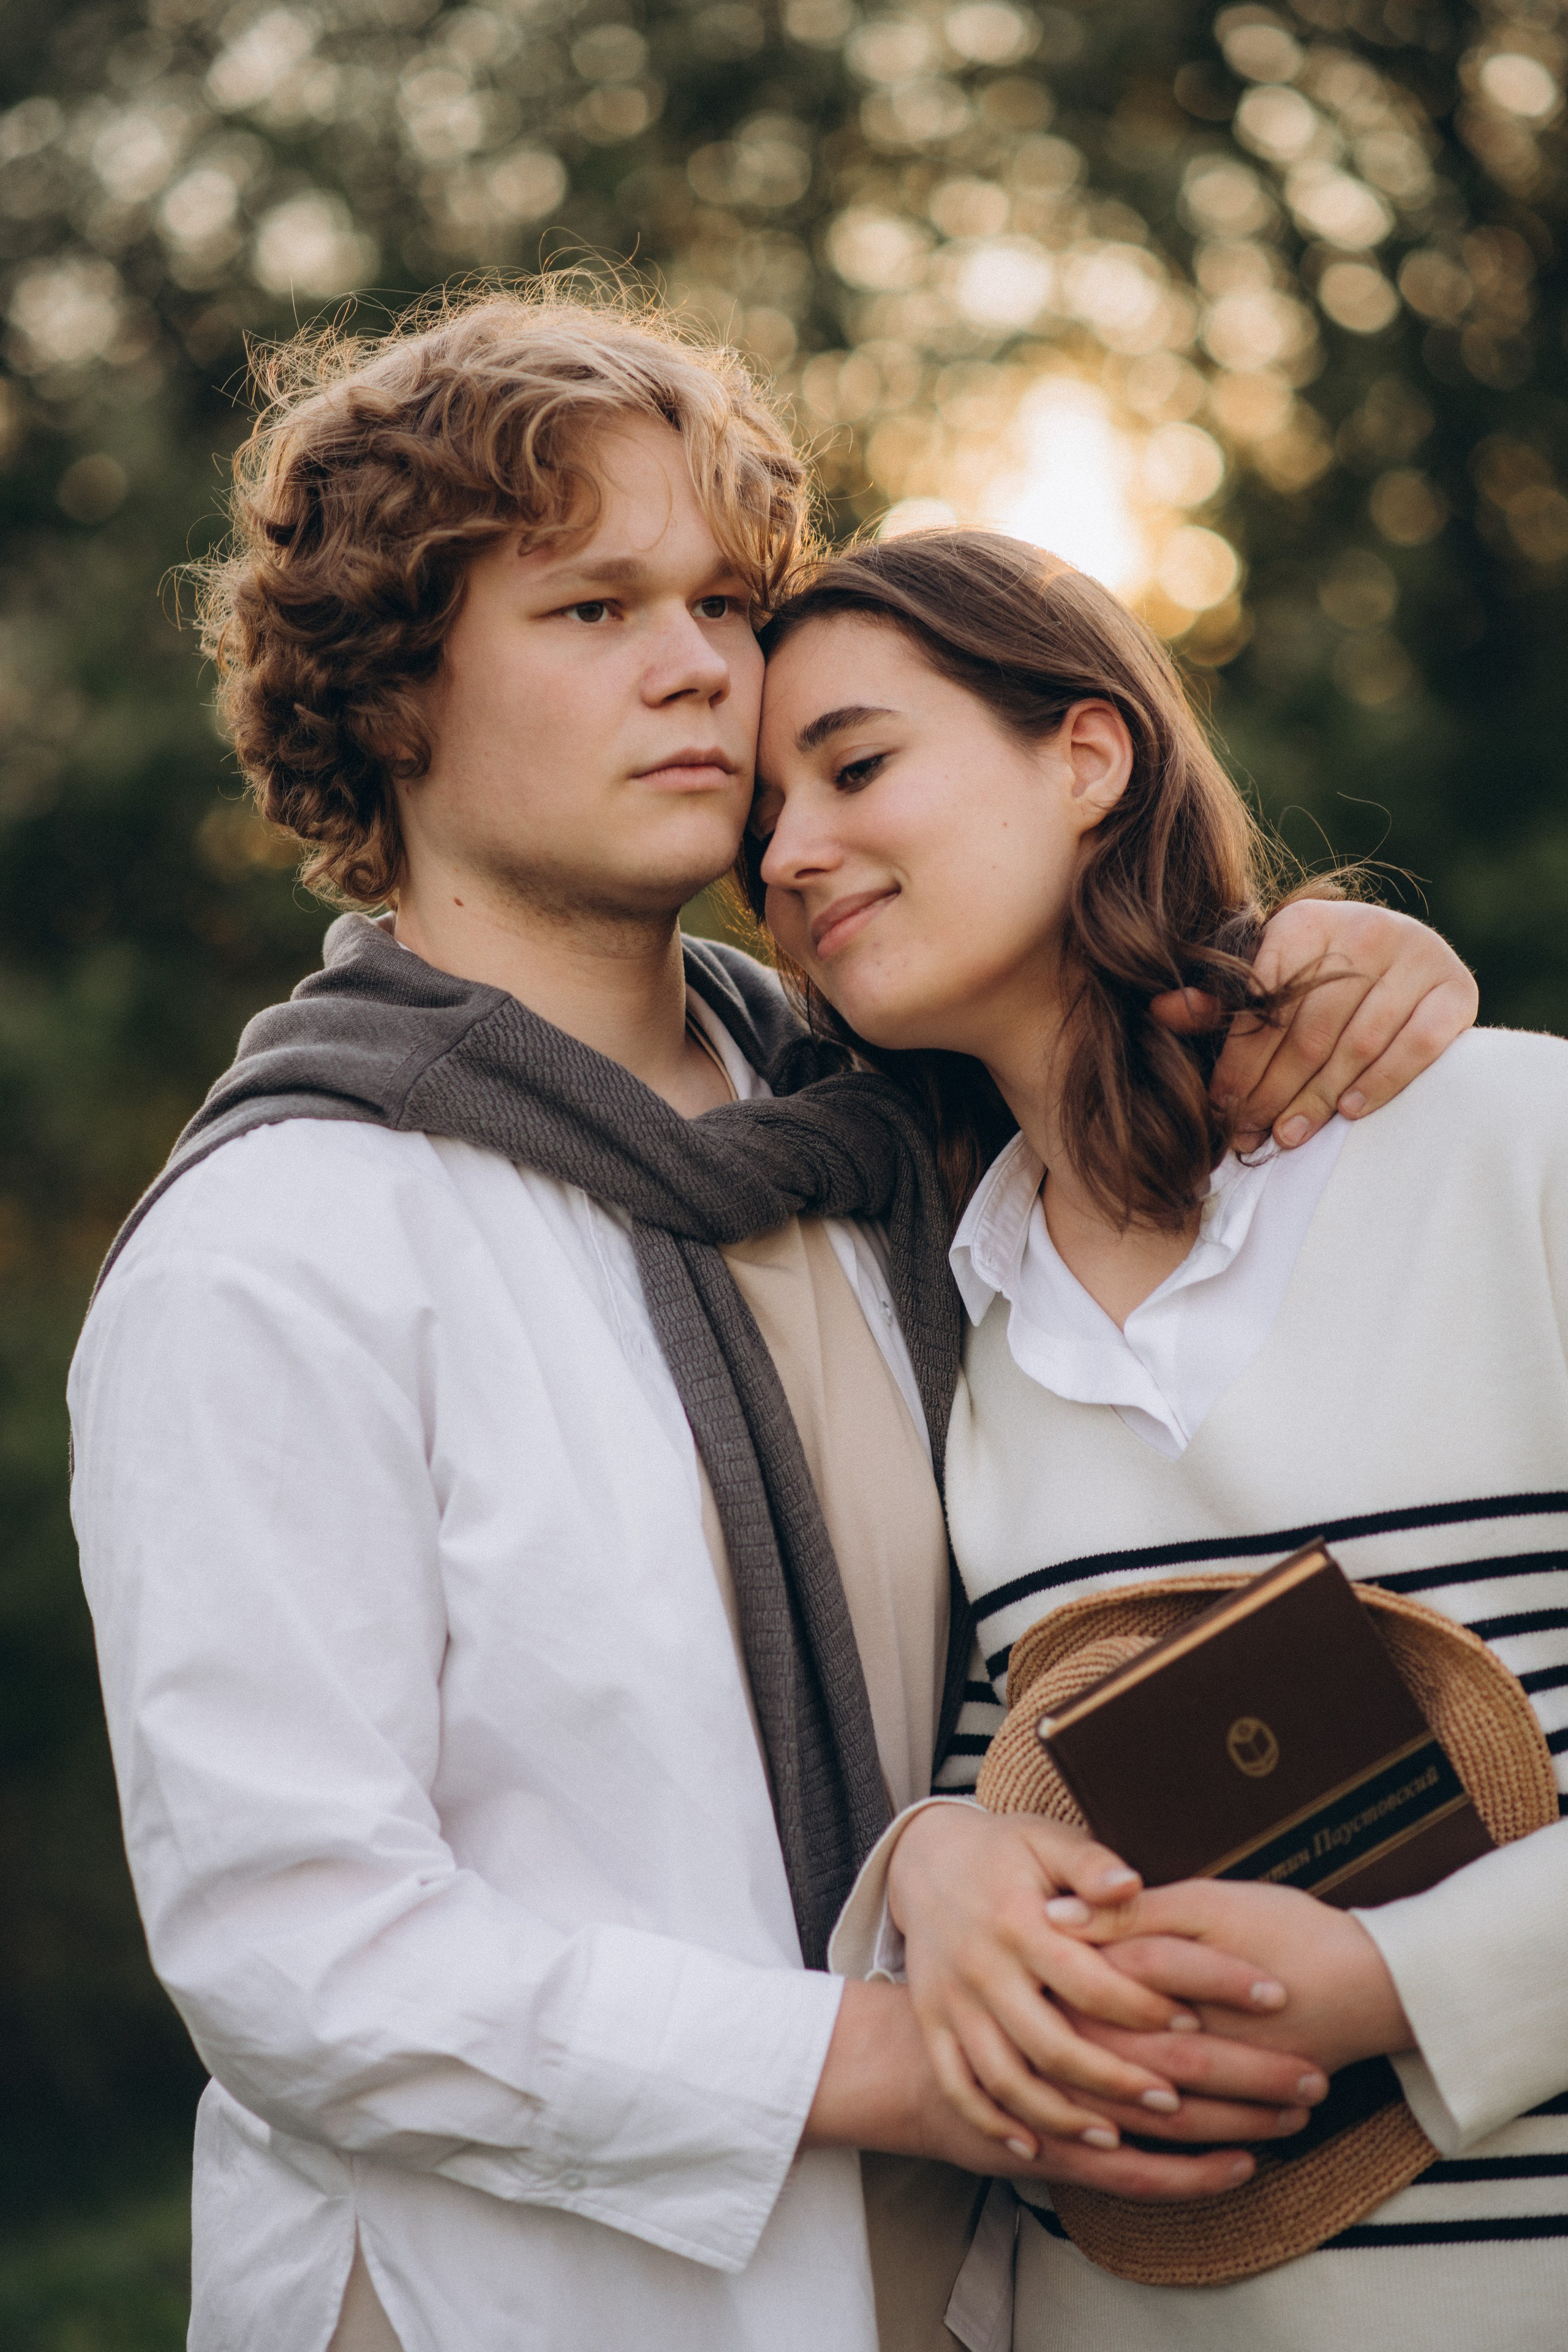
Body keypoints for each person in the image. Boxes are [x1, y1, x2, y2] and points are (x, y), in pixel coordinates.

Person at [69, 292, 1477, 2352]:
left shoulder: (893, 1128)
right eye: (590, 608)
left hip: (1001, 2286)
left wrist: (1355, 964)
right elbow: (300, 1957)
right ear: (390, 695)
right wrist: (917, 2066)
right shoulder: (284, 1245)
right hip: (532, 2305)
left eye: (728, 602)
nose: (700, 671)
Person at [748, 527, 1568, 2351]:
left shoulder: (1519, 1150)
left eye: (858, 765)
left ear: (1088, 754)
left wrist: (1400, 1980)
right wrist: (937, 1875)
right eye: (762, 826)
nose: (793, 855)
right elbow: (999, 1794)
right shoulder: (937, 1328)